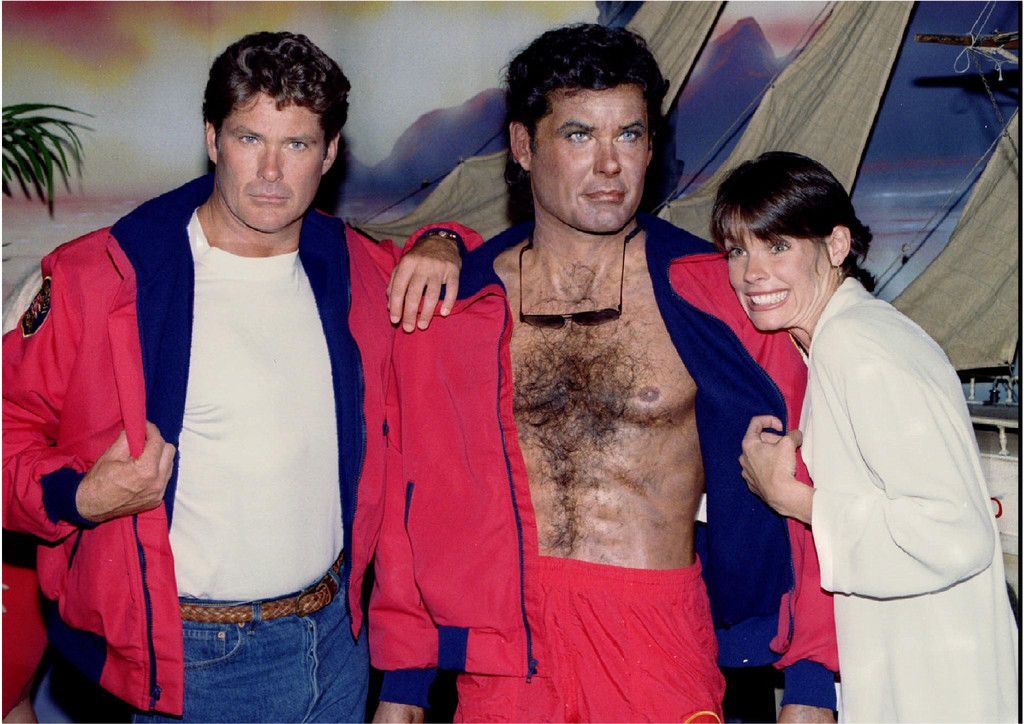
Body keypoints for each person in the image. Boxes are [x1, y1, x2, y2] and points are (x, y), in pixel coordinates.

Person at [2, 31, 478, 721]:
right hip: (196, 663)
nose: (271, 172)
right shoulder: (99, 278)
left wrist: (447, 242)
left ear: (330, 153)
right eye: (250, 138)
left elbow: (417, 462)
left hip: (338, 646)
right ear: (212, 138)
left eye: (297, 144)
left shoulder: (361, 274)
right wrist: (79, 496)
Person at [371, 25, 838, 723]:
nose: (610, 164)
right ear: (524, 146)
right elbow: (415, 490)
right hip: (504, 655)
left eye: (630, 134)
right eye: (580, 135)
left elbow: (812, 469)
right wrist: (404, 687)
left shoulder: (717, 295)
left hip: (657, 644)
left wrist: (810, 684)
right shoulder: (459, 305)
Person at [713, 151, 1019, 721]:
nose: (751, 272)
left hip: (935, 682)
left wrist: (792, 498)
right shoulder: (848, 336)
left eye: (777, 245)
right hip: (922, 661)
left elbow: (954, 533)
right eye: (737, 250)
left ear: (835, 246)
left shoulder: (856, 345)